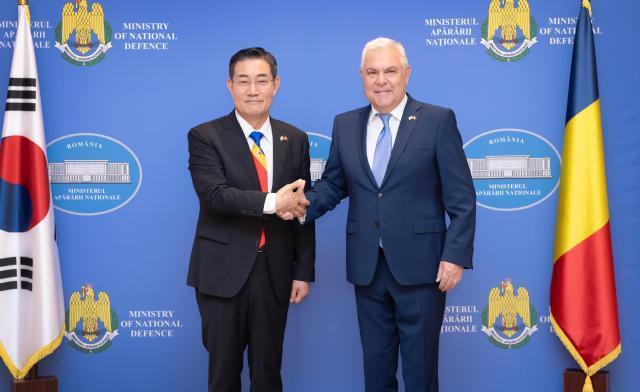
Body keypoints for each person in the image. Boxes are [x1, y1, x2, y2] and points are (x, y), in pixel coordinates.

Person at [298, 37, 476, 391]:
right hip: (368, 268)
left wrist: (454, 256)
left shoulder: (438, 121)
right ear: (361, 77)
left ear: (406, 74)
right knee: (375, 371)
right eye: (372, 72)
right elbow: (334, 184)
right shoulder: (345, 124)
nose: (381, 80)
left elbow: (462, 198)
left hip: (423, 269)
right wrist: (300, 205)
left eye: (390, 71)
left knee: (420, 371)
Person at [186, 47, 315, 392]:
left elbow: (303, 209)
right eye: (243, 81)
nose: (253, 90)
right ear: (230, 86)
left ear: (276, 85)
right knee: (223, 375)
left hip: (274, 272)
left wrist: (303, 270)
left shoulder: (296, 138)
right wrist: (274, 202)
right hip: (221, 273)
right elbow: (215, 196)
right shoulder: (205, 136)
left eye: (261, 80)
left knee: (268, 374)